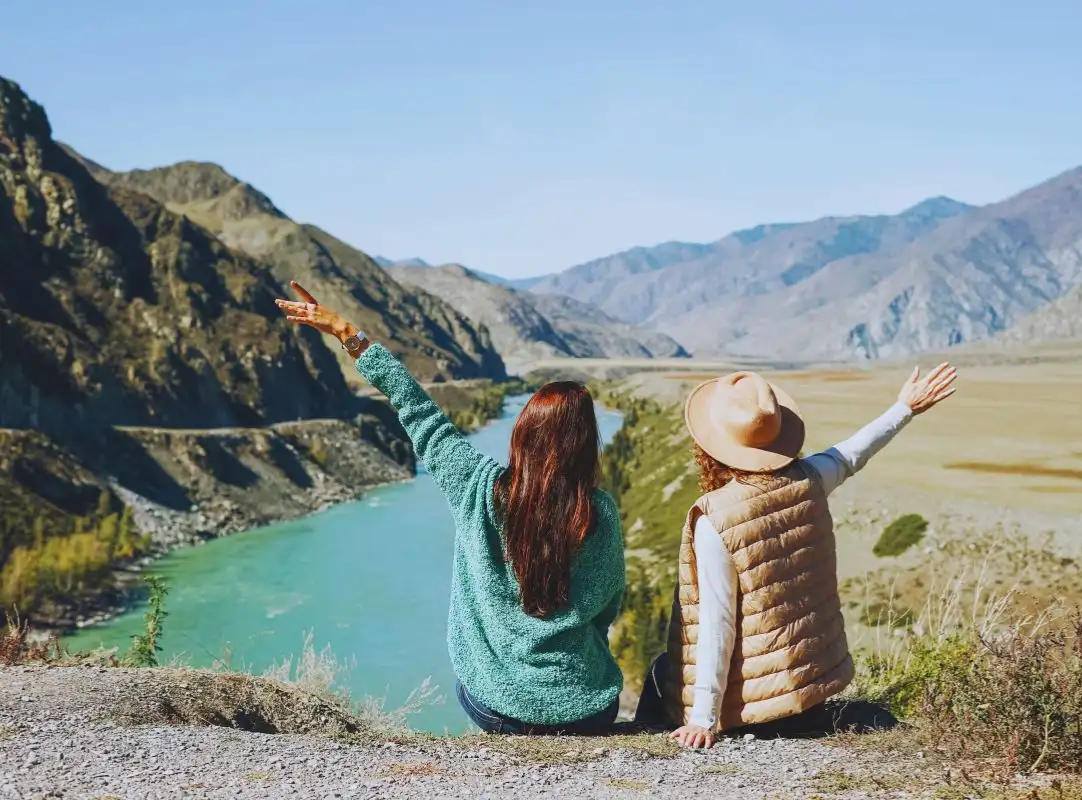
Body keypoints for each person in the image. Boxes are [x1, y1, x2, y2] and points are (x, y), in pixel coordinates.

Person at [276, 282, 625, 735]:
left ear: (522, 435)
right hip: (586, 708)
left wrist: (347, 333)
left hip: (497, 706)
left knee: (474, 681)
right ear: (583, 445)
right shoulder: (598, 513)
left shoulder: (477, 487)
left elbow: (419, 411)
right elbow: (608, 604)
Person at [634, 365, 958, 748]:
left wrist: (703, 719)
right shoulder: (810, 479)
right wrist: (904, 408)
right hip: (810, 689)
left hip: (756, 708)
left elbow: (717, 620)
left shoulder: (716, 519)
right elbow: (851, 454)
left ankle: (645, 744)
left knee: (662, 671)